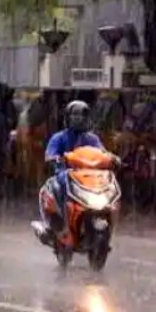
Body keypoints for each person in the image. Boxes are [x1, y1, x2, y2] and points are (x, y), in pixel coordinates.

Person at [36, 100, 106, 237]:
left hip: (89, 176)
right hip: (65, 174)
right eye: (75, 116)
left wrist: (112, 159)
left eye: (82, 116)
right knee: (55, 187)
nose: (78, 120)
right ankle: (60, 218)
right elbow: (50, 154)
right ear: (68, 118)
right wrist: (55, 158)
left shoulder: (92, 139)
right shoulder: (59, 138)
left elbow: (102, 153)